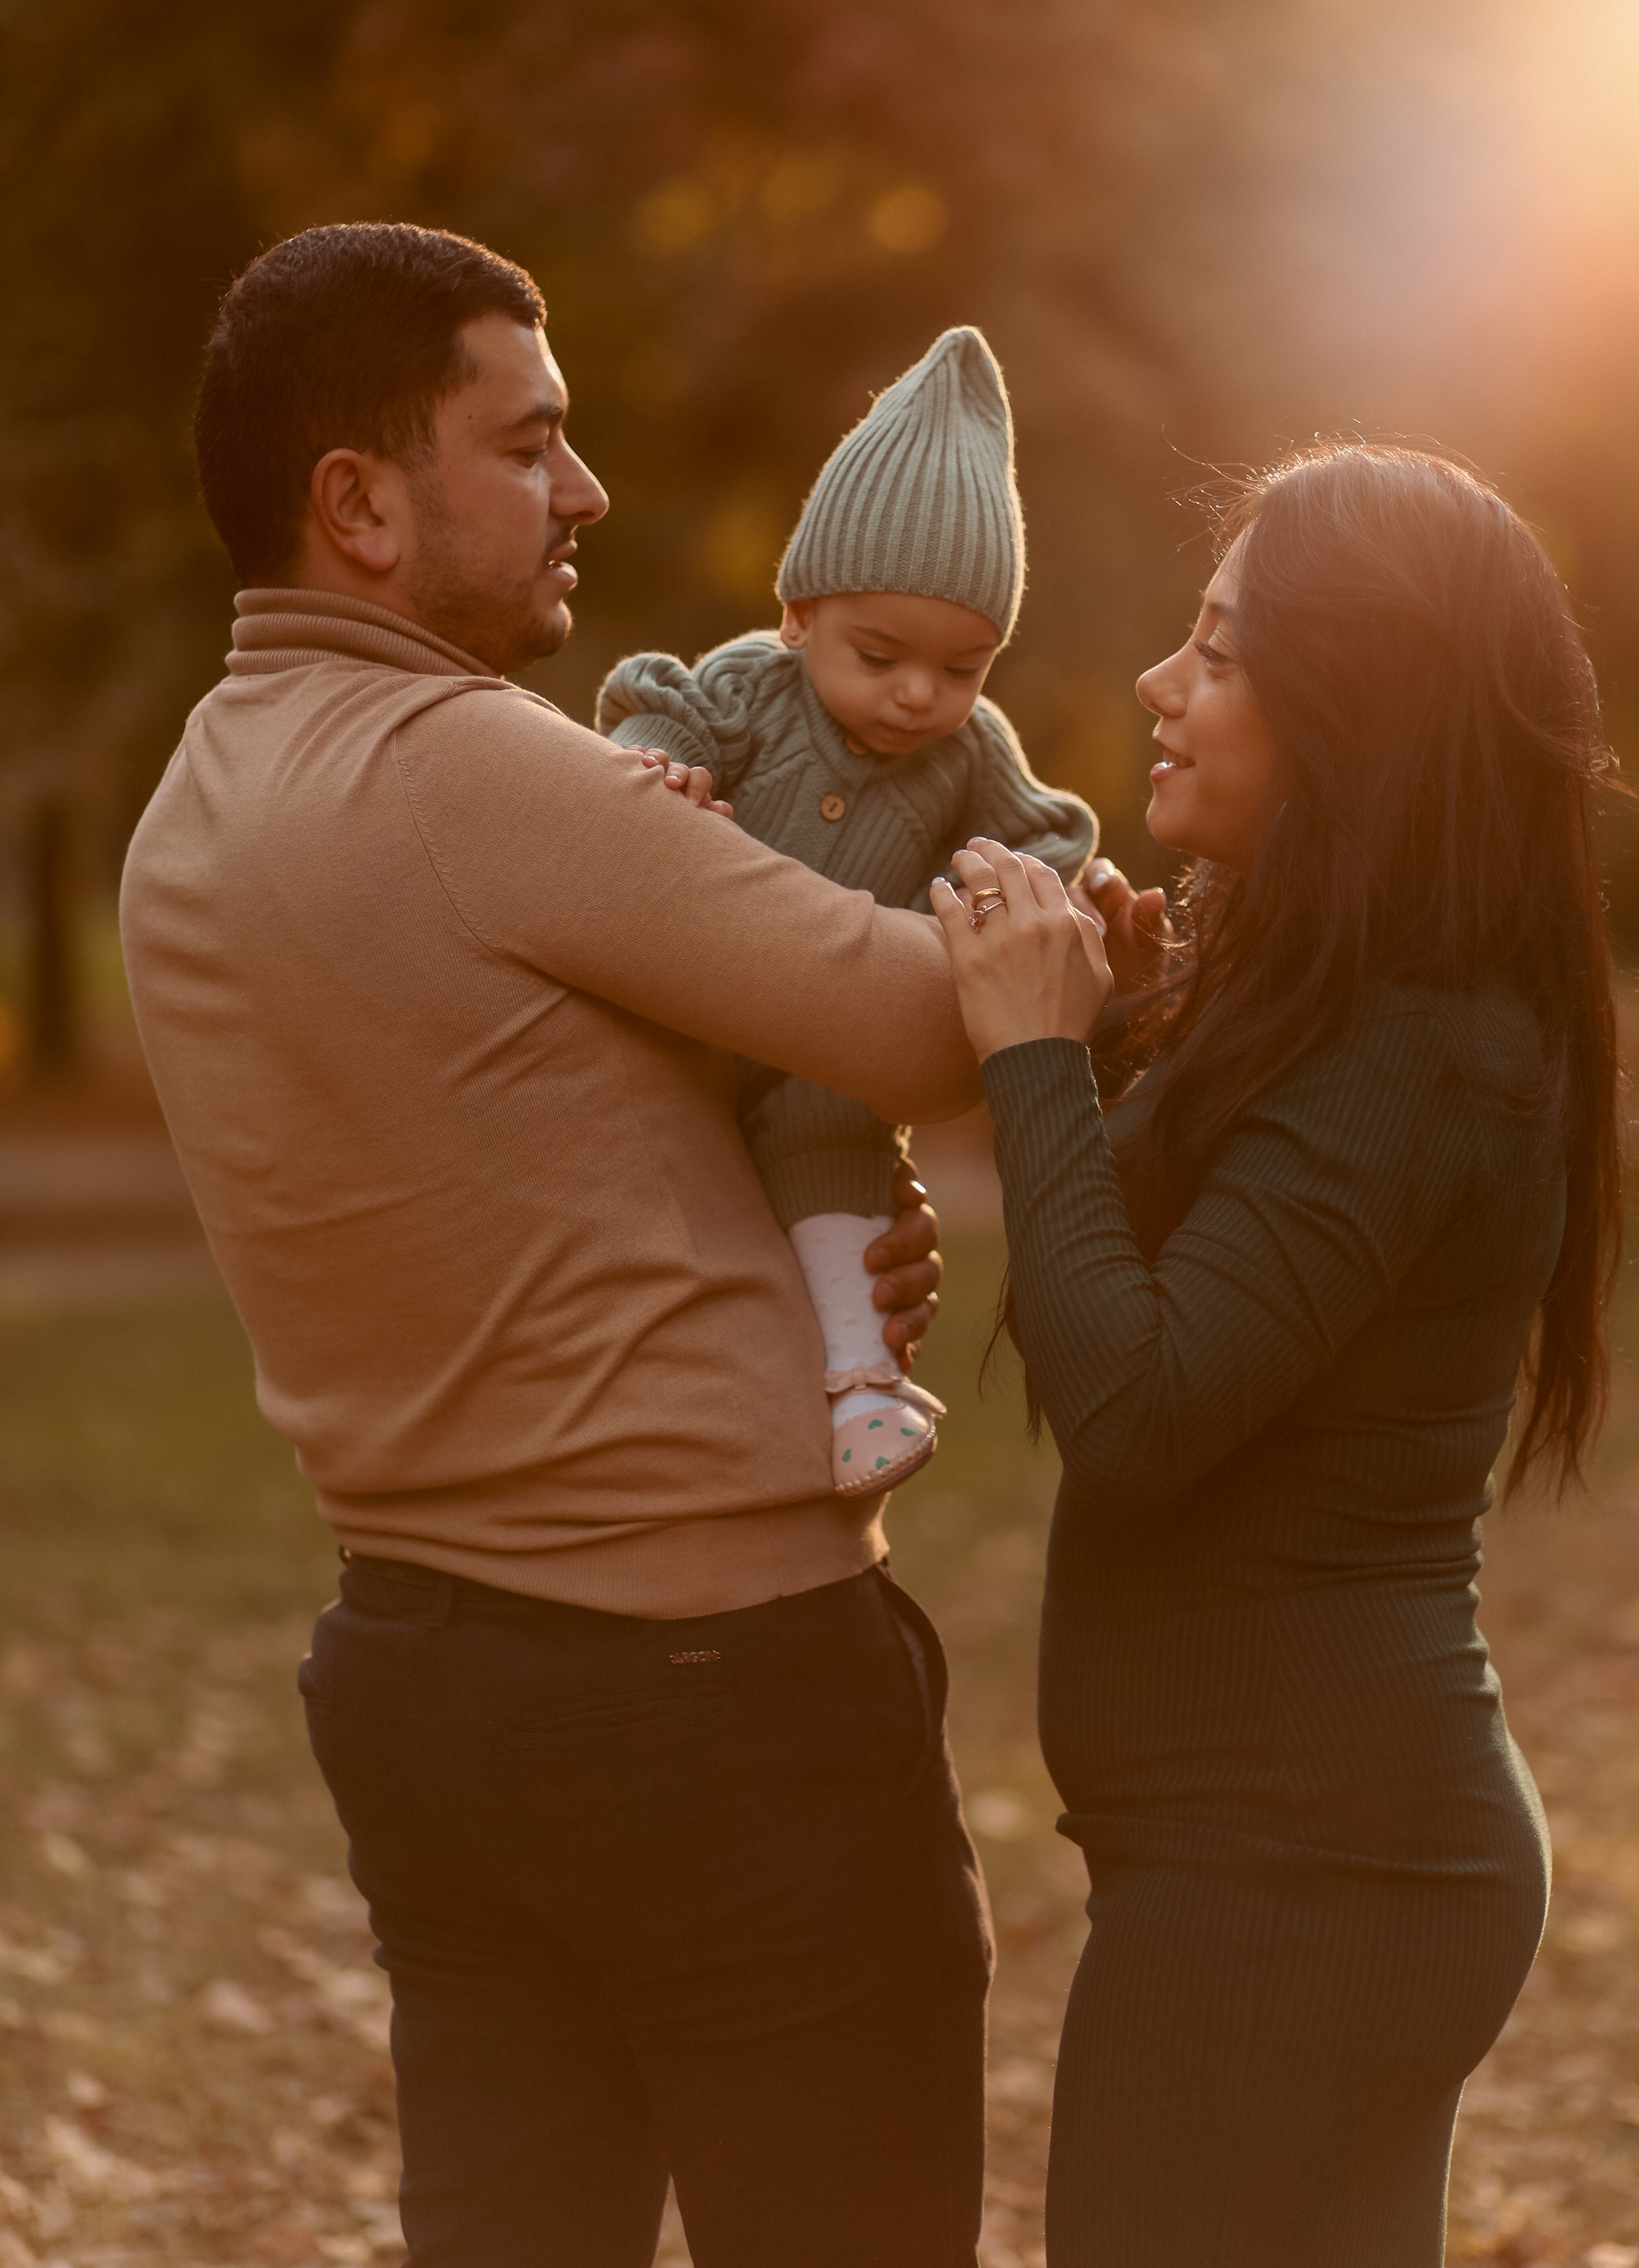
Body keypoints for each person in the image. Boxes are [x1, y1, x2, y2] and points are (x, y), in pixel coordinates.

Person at [119, 222, 993, 2268]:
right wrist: (1121, 944)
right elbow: (909, 1012)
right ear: (360, 505)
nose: (584, 491)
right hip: (713, 1710)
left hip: (430, 1689)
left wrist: (795, 1242)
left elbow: (496, 1131)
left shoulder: (199, 805)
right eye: (529, 444)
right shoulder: (472, 770)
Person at [928, 445, 1623, 2266]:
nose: (1159, 685)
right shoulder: (1373, 1009)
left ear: (1356, 712)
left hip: (1305, 1883)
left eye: (1219, 653)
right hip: (1309, 1863)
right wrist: (1142, 1043)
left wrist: (1034, 1059)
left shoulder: (1411, 1043)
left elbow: (1142, 1407)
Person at [597, 323, 1095, 1494]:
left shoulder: (969, 755)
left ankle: (863, 1385)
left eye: (963, 667)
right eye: (881, 653)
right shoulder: (751, 689)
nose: (922, 694)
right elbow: (654, 706)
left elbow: (1045, 833)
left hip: (825, 1059)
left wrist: (1021, 898)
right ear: (800, 614)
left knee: (834, 1147)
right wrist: (660, 766)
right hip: (687, 1026)